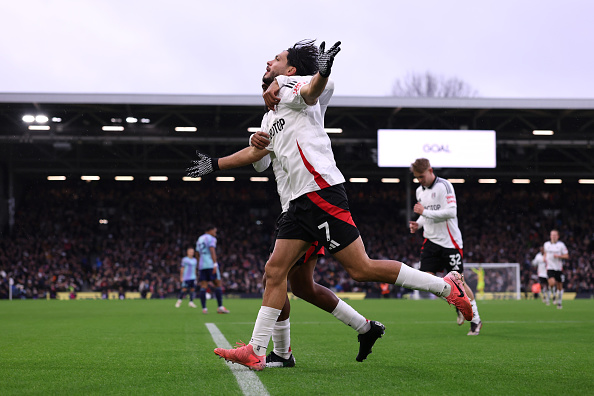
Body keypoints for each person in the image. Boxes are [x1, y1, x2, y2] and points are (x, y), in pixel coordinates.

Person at [187, 39, 471, 371]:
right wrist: (217, 164)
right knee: (277, 274)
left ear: (290, 69)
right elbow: (259, 159)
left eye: (276, 60)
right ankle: (260, 350)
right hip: (296, 205)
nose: (269, 62)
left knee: (360, 269)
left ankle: (444, 285)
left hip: (321, 192)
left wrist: (320, 69)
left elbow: (315, 90)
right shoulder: (269, 117)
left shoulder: (296, 90)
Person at [251, 125, 384, 367]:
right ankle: (365, 328)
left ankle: (281, 353)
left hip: (304, 211)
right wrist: (256, 142)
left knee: (274, 277)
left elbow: (323, 91)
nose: (267, 90)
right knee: (302, 287)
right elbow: (259, 164)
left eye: (270, 84)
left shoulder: (297, 118)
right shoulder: (271, 122)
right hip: (295, 212)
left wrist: (218, 163)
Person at [408, 158, 482, 336]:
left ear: (430, 170)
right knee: (426, 281)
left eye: (422, 176)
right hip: (431, 241)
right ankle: (457, 302)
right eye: (417, 178)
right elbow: (428, 216)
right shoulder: (420, 191)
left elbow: (451, 212)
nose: (420, 180)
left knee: (460, 283)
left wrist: (424, 212)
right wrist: (419, 223)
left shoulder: (445, 186)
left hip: (450, 242)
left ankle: (476, 320)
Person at [196, 225, 230, 314]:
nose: (215, 233)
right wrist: (215, 264)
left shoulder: (199, 239)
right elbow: (212, 250)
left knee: (203, 285)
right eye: (214, 231)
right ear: (210, 230)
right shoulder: (211, 238)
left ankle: (204, 309)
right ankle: (220, 307)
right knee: (218, 284)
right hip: (210, 264)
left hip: (202, 265)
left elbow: (197, 253)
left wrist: (199, 264)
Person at [543, 229, 569, 309]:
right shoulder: (546, 244)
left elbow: (566, 256)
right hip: (550, 268)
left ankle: (559, 302)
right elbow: (545, 253)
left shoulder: (561, 245)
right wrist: (544, 258)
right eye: (552, 235)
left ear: (558, 236)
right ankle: (553, 294)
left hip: (558, 268)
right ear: (550, 236)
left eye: (555, 235)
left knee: (560, 287)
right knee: (551, 283)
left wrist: (558, 256)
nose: (553, 237)